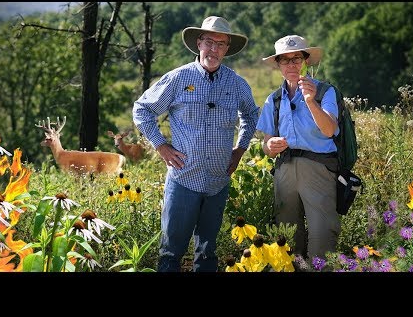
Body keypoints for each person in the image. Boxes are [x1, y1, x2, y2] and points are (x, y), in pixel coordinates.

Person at [132, 16, 259, 272]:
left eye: (221, 44)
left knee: (207, 254)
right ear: (199, 43)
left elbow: (251, 114)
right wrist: (161, 145)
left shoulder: (236, 84)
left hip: (217, 182)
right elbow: (142, 109)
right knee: (170, 254)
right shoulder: (179, 78)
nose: (214, 49)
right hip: (183, 180)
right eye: (209, 42)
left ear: (227, 49)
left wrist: (240, 149)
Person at [256, 34, 340, 262]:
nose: (291, 64)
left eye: (297, 58)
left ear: (306, 61)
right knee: (287, 236)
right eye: (285, 60)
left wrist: (311, 101)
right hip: (284, 170)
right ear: (279, 65)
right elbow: (266, 145)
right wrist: (270, 146)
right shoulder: (273, 100)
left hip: (318, 169)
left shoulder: (325, 92)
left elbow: (329, 130)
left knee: (322, 234)